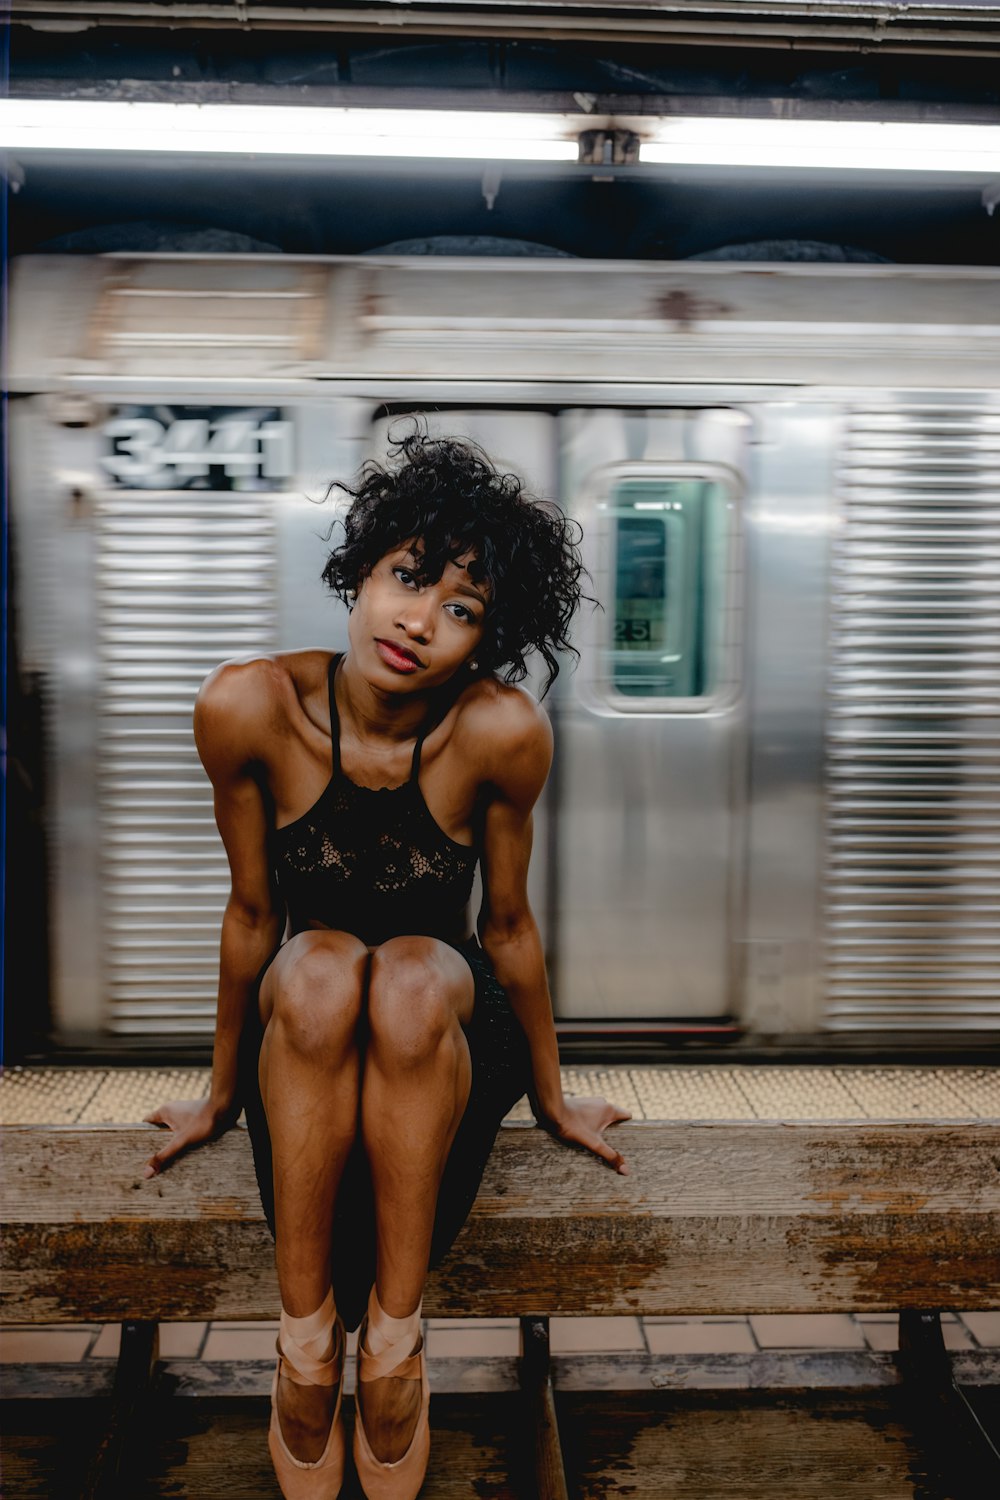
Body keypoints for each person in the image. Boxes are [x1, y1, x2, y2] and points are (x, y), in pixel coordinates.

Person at [144, 431, 631, 1500]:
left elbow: (504, 929)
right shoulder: (245, 707)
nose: (420, 620)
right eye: (409, 577)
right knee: (321, 963)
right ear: (360, 571)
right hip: (307, 1022)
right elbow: (252, 911)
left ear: (485, 641)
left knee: (404, 970)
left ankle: (395, 1346)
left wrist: (551, 1096)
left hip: (441, 1014)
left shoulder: (500, 732)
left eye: (463, 609)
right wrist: (219, 1092)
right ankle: (308, 1343)